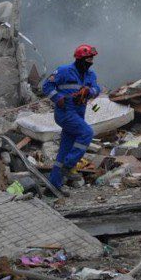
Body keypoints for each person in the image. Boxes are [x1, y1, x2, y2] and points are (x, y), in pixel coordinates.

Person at [42, 44, 101, 189]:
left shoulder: (91, 75)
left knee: (65, 150)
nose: (91, 62)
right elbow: (46, 86)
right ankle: (68, 166)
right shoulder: (64, 70)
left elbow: (97, 88)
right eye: (88, 59)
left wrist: (89, 91)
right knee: (87, 133)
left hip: (79, 113)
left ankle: (53, 186)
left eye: (92, 59)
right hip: (65, 112)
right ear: (80, 59)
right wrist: (58, 98)